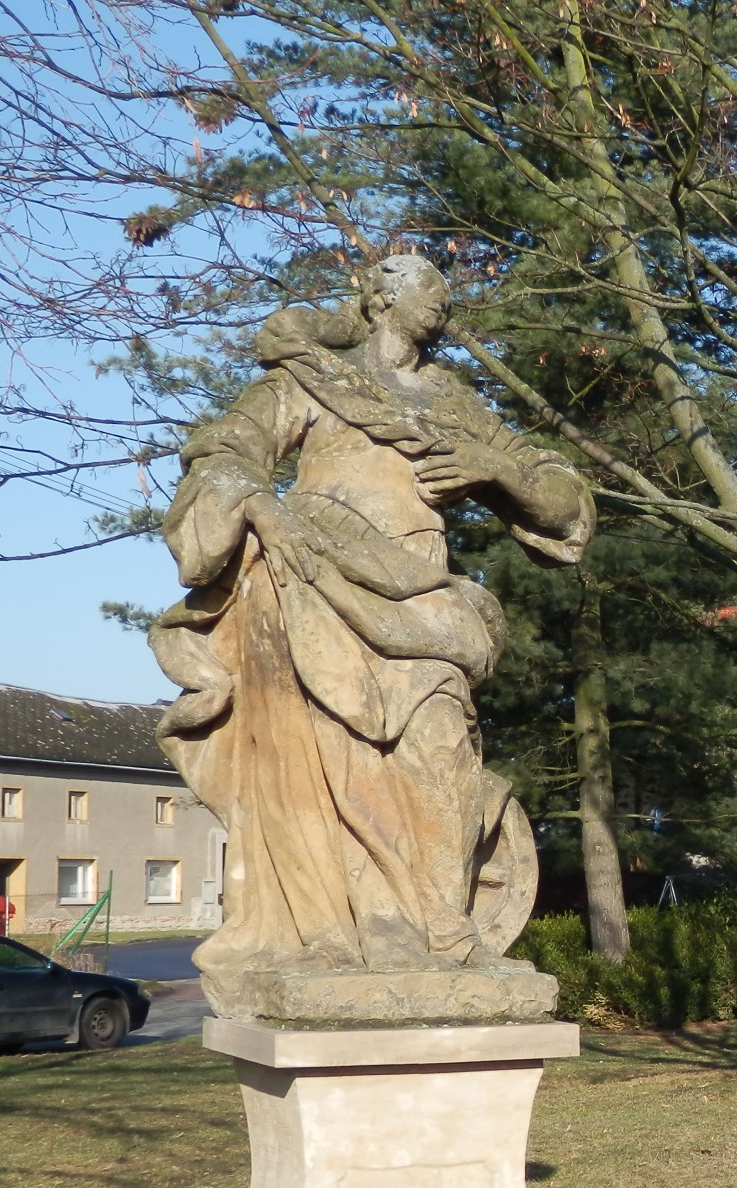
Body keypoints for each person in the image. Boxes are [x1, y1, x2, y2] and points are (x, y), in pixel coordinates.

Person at [150, 255, 593, 1001]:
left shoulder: (453, 401)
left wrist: (495, 470)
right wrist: (262, 508)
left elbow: (560, 500)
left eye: (445, 289)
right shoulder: (311, 375)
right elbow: (223, 453)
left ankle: (443, 928)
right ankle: (356, 931)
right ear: (382, 295)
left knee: (441, 743)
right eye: (427, 283)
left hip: (421, 595)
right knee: (330, 758)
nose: (443, 297)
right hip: (315, 577)